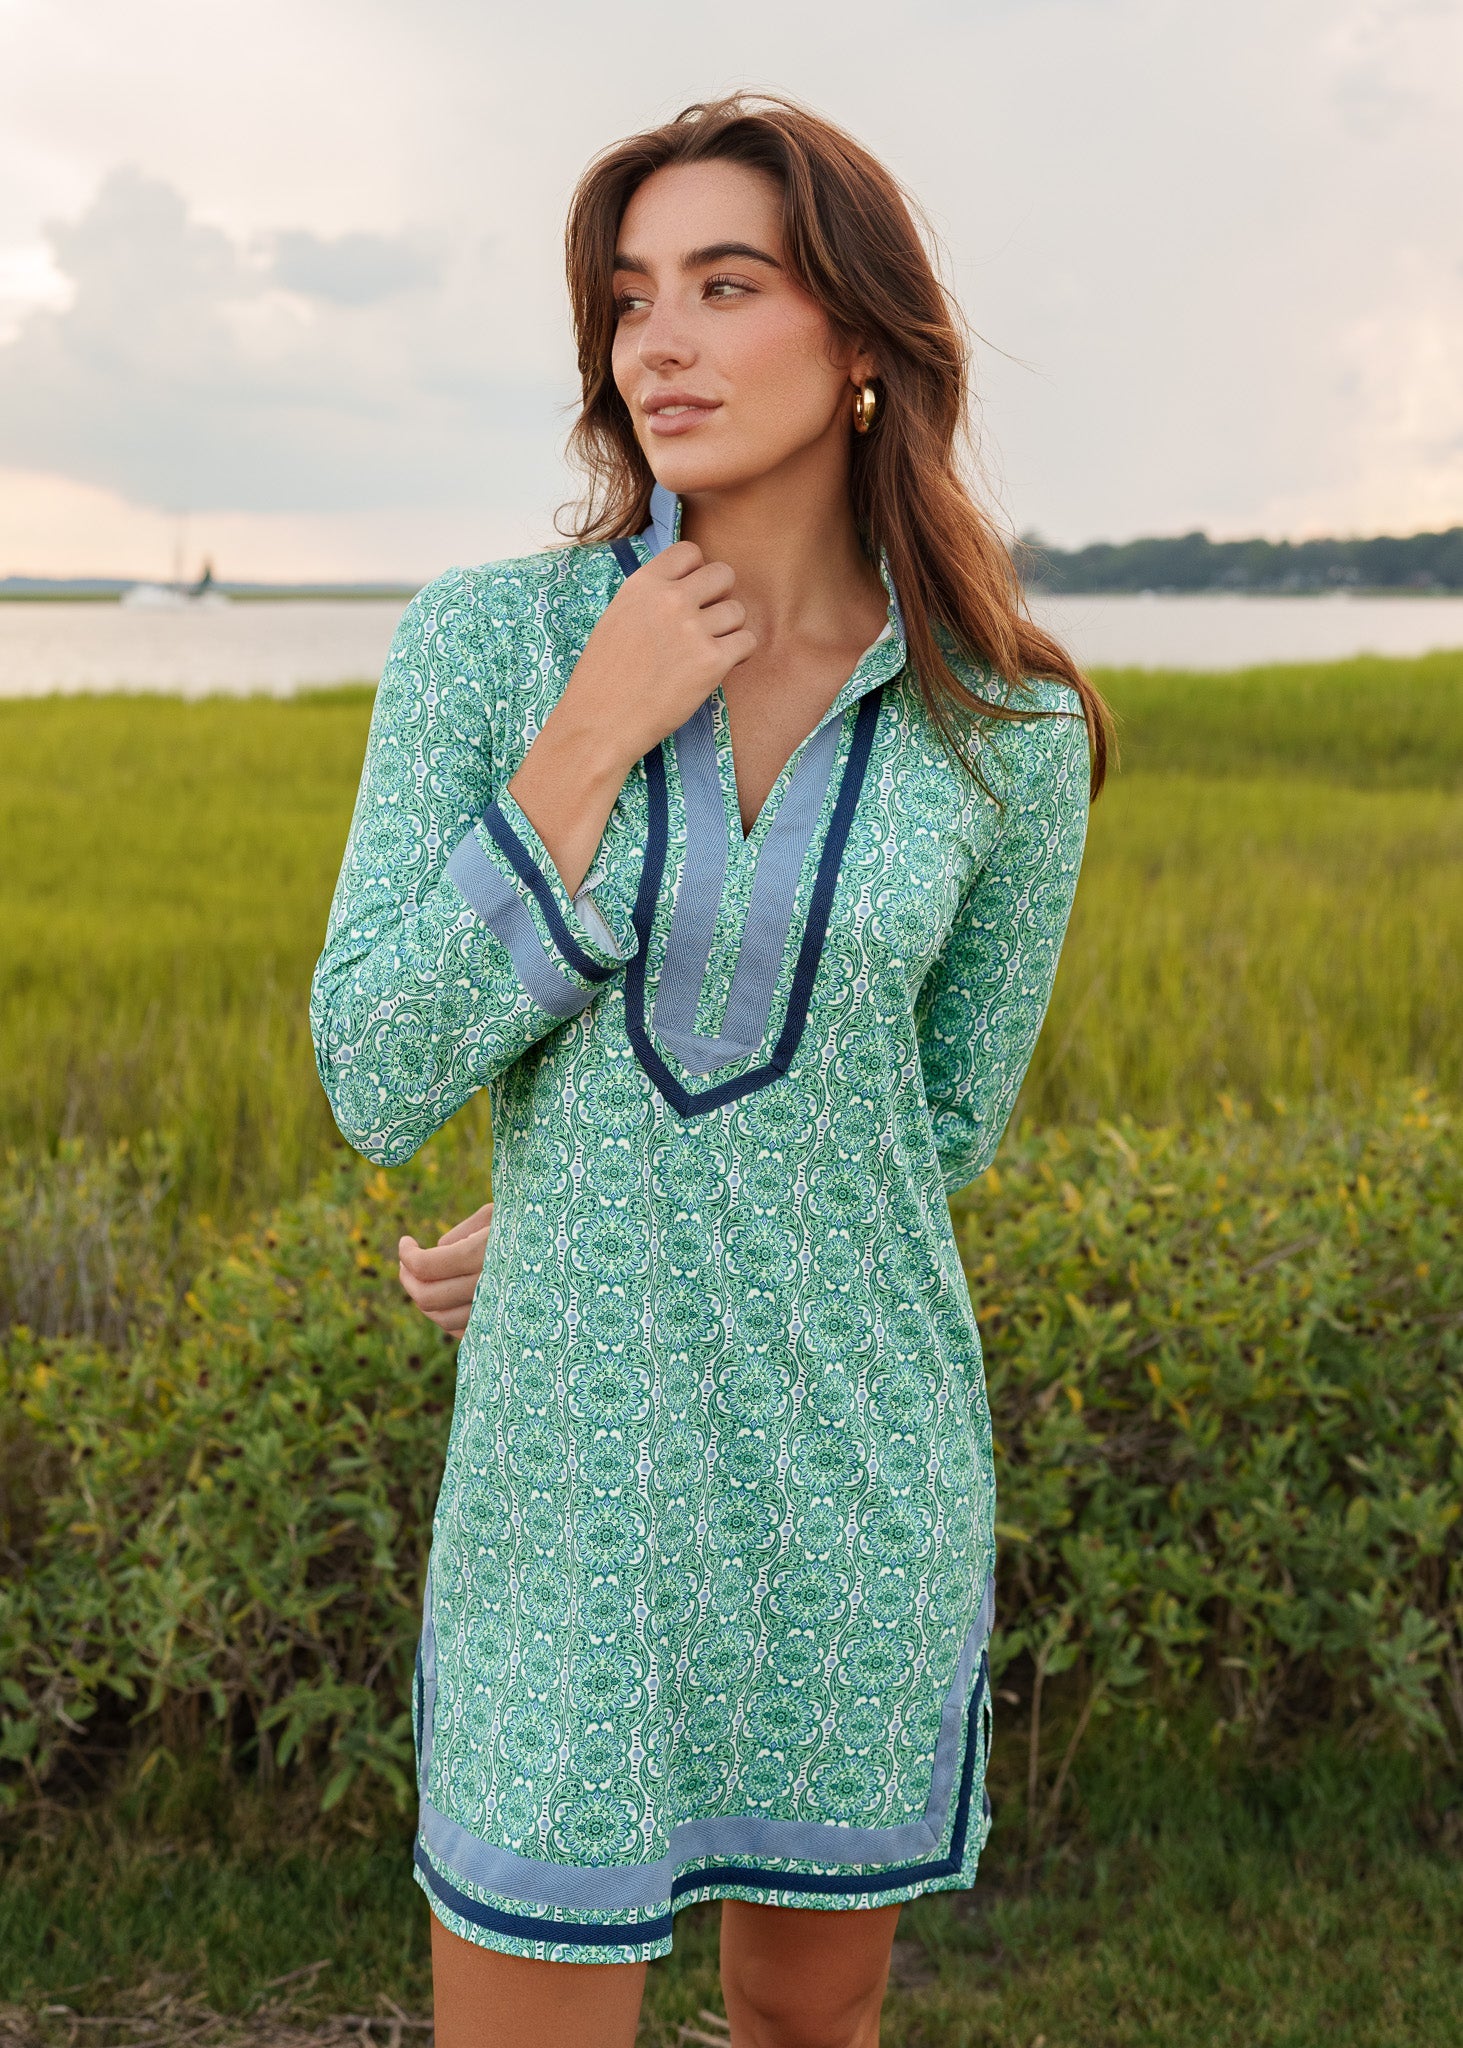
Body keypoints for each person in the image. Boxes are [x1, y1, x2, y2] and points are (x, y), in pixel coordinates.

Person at [310, 89, 1110, 2048]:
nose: (654, 341)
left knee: (809, 2030)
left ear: (859, 344)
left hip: (855, 1479)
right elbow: (369, 1067)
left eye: (723, 286)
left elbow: (930, 1126)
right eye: (627, 295)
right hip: (570, 1502)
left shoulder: (1005, 724)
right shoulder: (490, 646)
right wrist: (590, 735)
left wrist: (605, 1195)